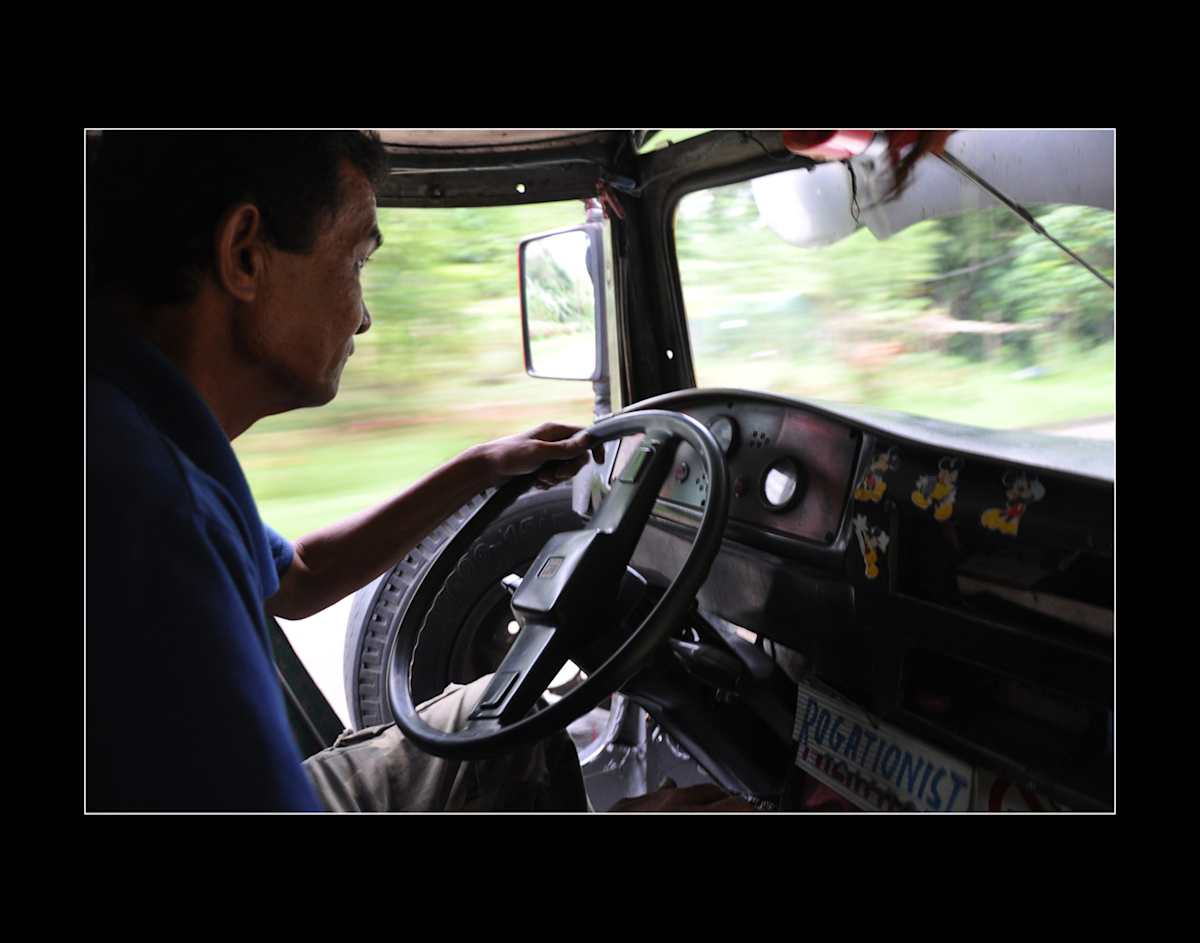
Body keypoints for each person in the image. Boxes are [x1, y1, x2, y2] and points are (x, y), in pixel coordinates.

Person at [85, 130, 750, 813]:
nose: (365, 318)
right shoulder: (150, 520)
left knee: (503, 723)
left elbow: (298, 578)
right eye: (355, 262)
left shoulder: (137, 428)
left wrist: (482, 466)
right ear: (245, 254)